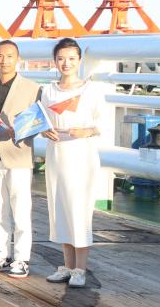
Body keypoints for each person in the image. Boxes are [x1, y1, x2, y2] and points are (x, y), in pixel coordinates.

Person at [41, 37, 110, 288]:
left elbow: (103, 122)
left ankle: (80, 269)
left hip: (81, 153)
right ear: (54, 61)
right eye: (61, 58)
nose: (66, 63)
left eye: (71, 58)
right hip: (57, 153)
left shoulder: (91, 89)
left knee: (79, 209)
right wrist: (44, 131)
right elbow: (42, 121)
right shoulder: (49, 90)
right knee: (59, 207)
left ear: (79, 60)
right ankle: (67, 266)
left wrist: (87, 131)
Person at [0, 40, 40, 278]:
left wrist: (22, 130)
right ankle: (1, 253)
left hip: (18, 154)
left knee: (20, 209)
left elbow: (39, 121)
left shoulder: (32, 88)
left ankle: (21, 258)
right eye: (0, 56)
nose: (4, 60)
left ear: (18, 59)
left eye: (9, 56)